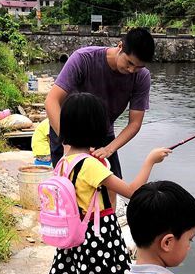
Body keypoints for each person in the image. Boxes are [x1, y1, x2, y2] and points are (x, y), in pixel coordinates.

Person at [46, 93, 170, 274]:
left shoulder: (65, 161)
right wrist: (151, 161)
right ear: (95, 128)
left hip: (75, 238)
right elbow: (133, 192)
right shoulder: (91, 166)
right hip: (96, 239)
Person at [45, 27, 155, 178]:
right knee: (69, 183)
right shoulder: (83, 59)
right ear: (120, 46)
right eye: (129, 63)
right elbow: (51, 101)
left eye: (138, 67)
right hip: (66, 130)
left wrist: (109, 149)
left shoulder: (141, 77)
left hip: (102, 134)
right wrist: (67, 142)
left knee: (112, 184)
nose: (131, 70)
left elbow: (134, 123)